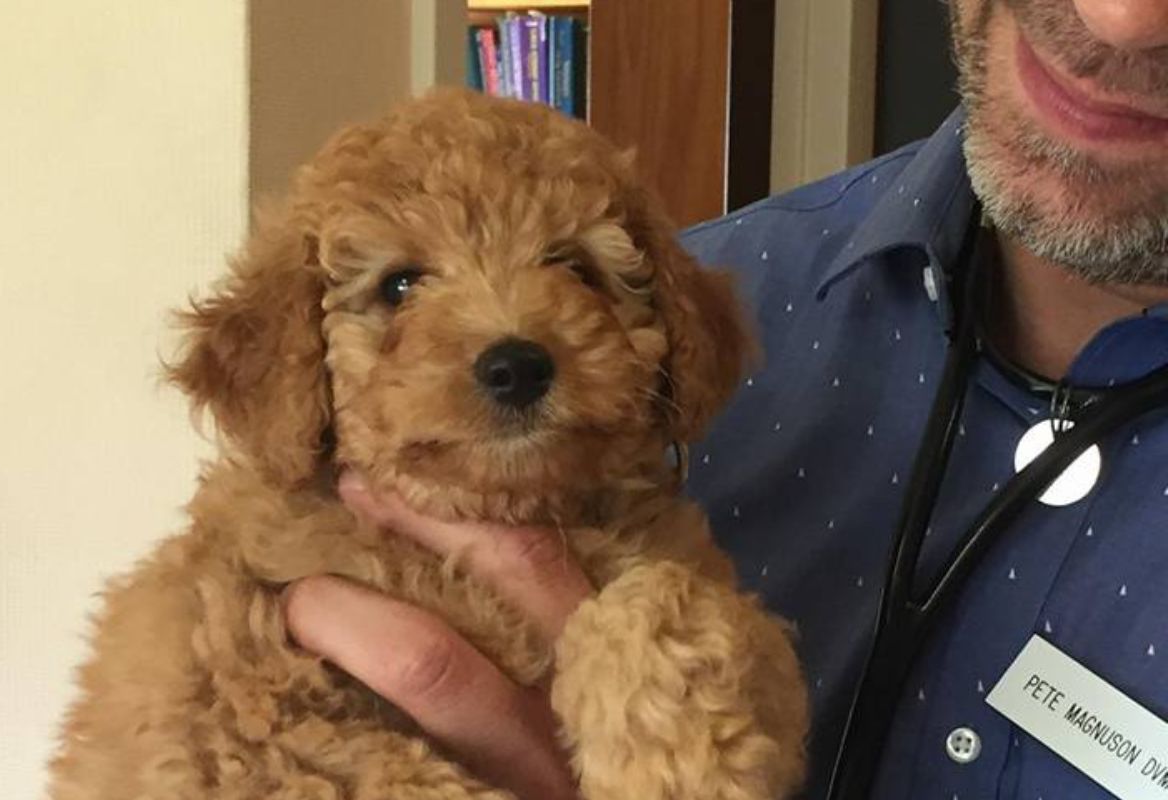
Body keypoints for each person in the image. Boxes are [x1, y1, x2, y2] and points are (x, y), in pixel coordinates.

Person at [284, 1, 1168, 798]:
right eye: (402, 287)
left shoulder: (651, 327)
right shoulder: (706, 311)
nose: (1121, 17)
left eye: (571, 268)